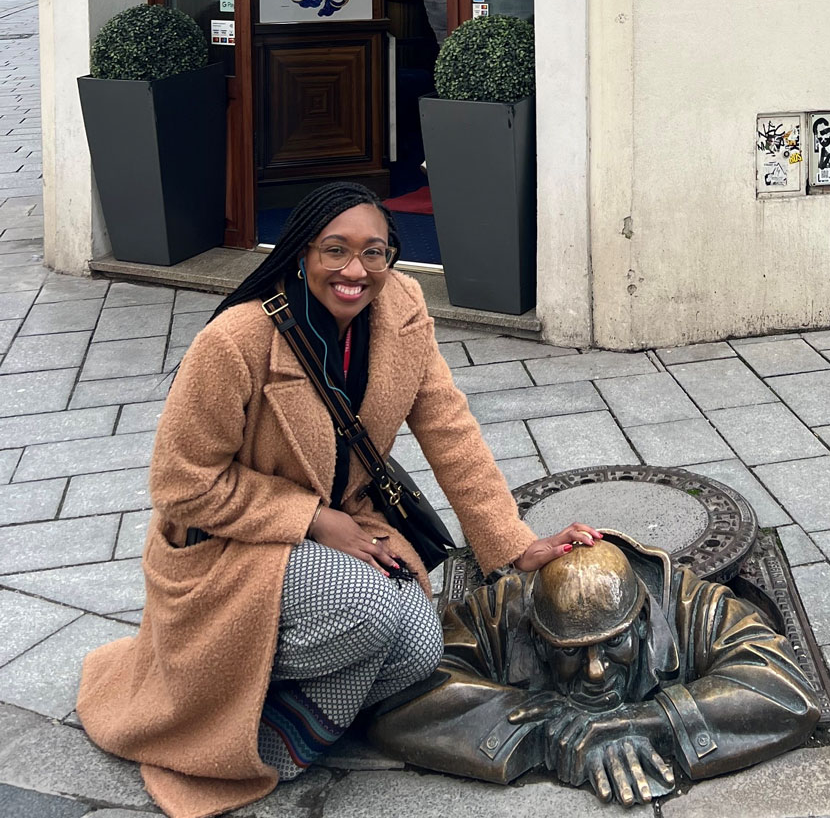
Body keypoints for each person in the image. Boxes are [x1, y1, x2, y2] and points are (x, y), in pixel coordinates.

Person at [77, 182, 598, 818]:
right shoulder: (235, 341)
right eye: (335, 250)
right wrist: (314, 519)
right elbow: (182, 485)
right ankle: (213, 709)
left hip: (341, 529)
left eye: (374, 252)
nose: (355, 271)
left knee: (417, 644)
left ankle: (279, 718)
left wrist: (515, 546)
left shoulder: (403, 308)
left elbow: (449, 429)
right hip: (228, 548)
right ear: (300, 253)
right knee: (369, 611)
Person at [369, 533, 822, 806]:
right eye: (569, 651)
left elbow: (786, 688)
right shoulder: (500, 613)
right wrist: (540, 726)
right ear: (538, 638)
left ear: (643, 621)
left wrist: (647, 719)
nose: (596, 673)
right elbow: (397, 690)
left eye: (616, 642)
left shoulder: (694, 606)